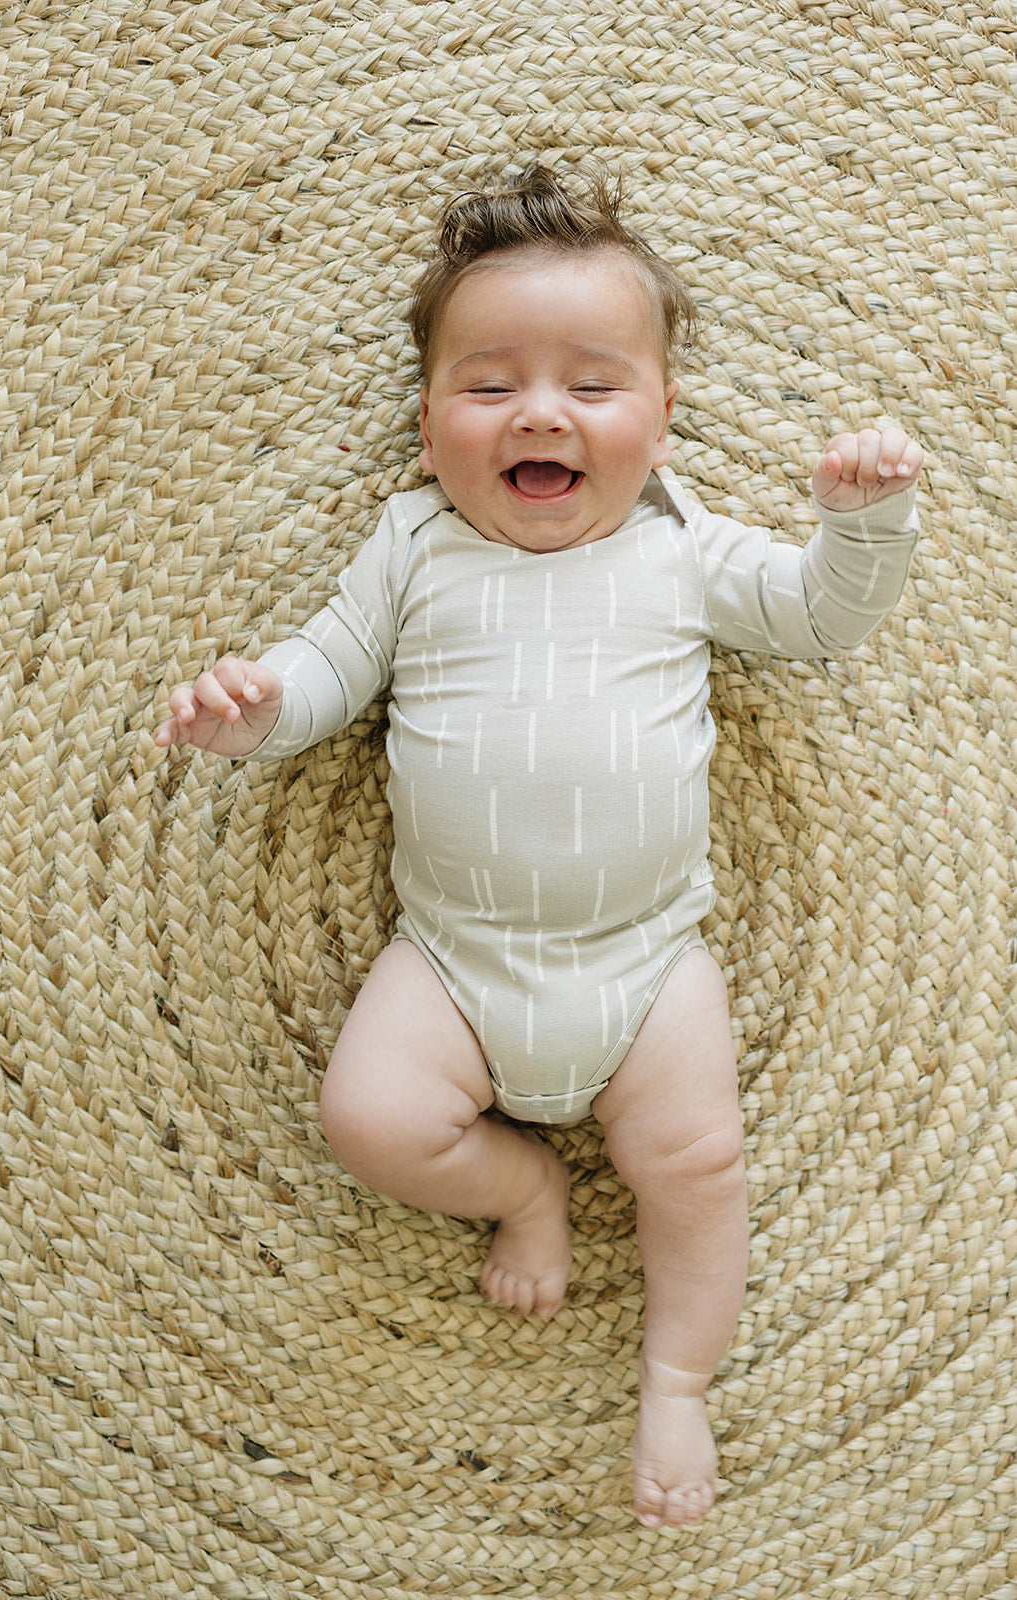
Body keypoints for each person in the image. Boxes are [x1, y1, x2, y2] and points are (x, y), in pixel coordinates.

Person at [156, 166, 922, 1530]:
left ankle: (677, 1377)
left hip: (646, 964)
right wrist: (257, 710)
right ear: (428, 420)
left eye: (593, 384)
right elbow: (328, 671)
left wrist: (861, 524)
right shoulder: (415, 544)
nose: (543, 413)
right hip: (453, 961)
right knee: (368, 1118)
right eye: (491, 383)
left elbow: (819, 619)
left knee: (698, 1168)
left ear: (665, 421)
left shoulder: (681, 547)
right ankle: (520, 1190)